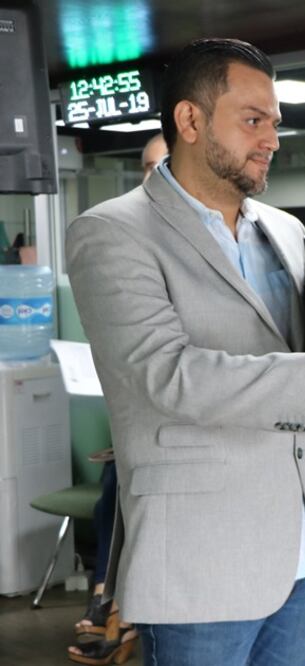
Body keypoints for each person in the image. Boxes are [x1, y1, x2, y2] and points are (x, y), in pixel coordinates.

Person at [66, 38, 305, 666]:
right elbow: (170, 376)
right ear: (190, 120)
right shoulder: (112, 233)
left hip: (304, 553)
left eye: (274, 121)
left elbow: (304, 359)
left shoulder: (288, 231)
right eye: (253, 120)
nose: (272, 137)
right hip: (200, 561)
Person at [67, 133, 170, 665]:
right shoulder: (114, 237)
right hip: (143, 430)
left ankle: (116, 606)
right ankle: (112, 601)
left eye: (166, 165)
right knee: (115, 486)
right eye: (149, 167)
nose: (156, 177)